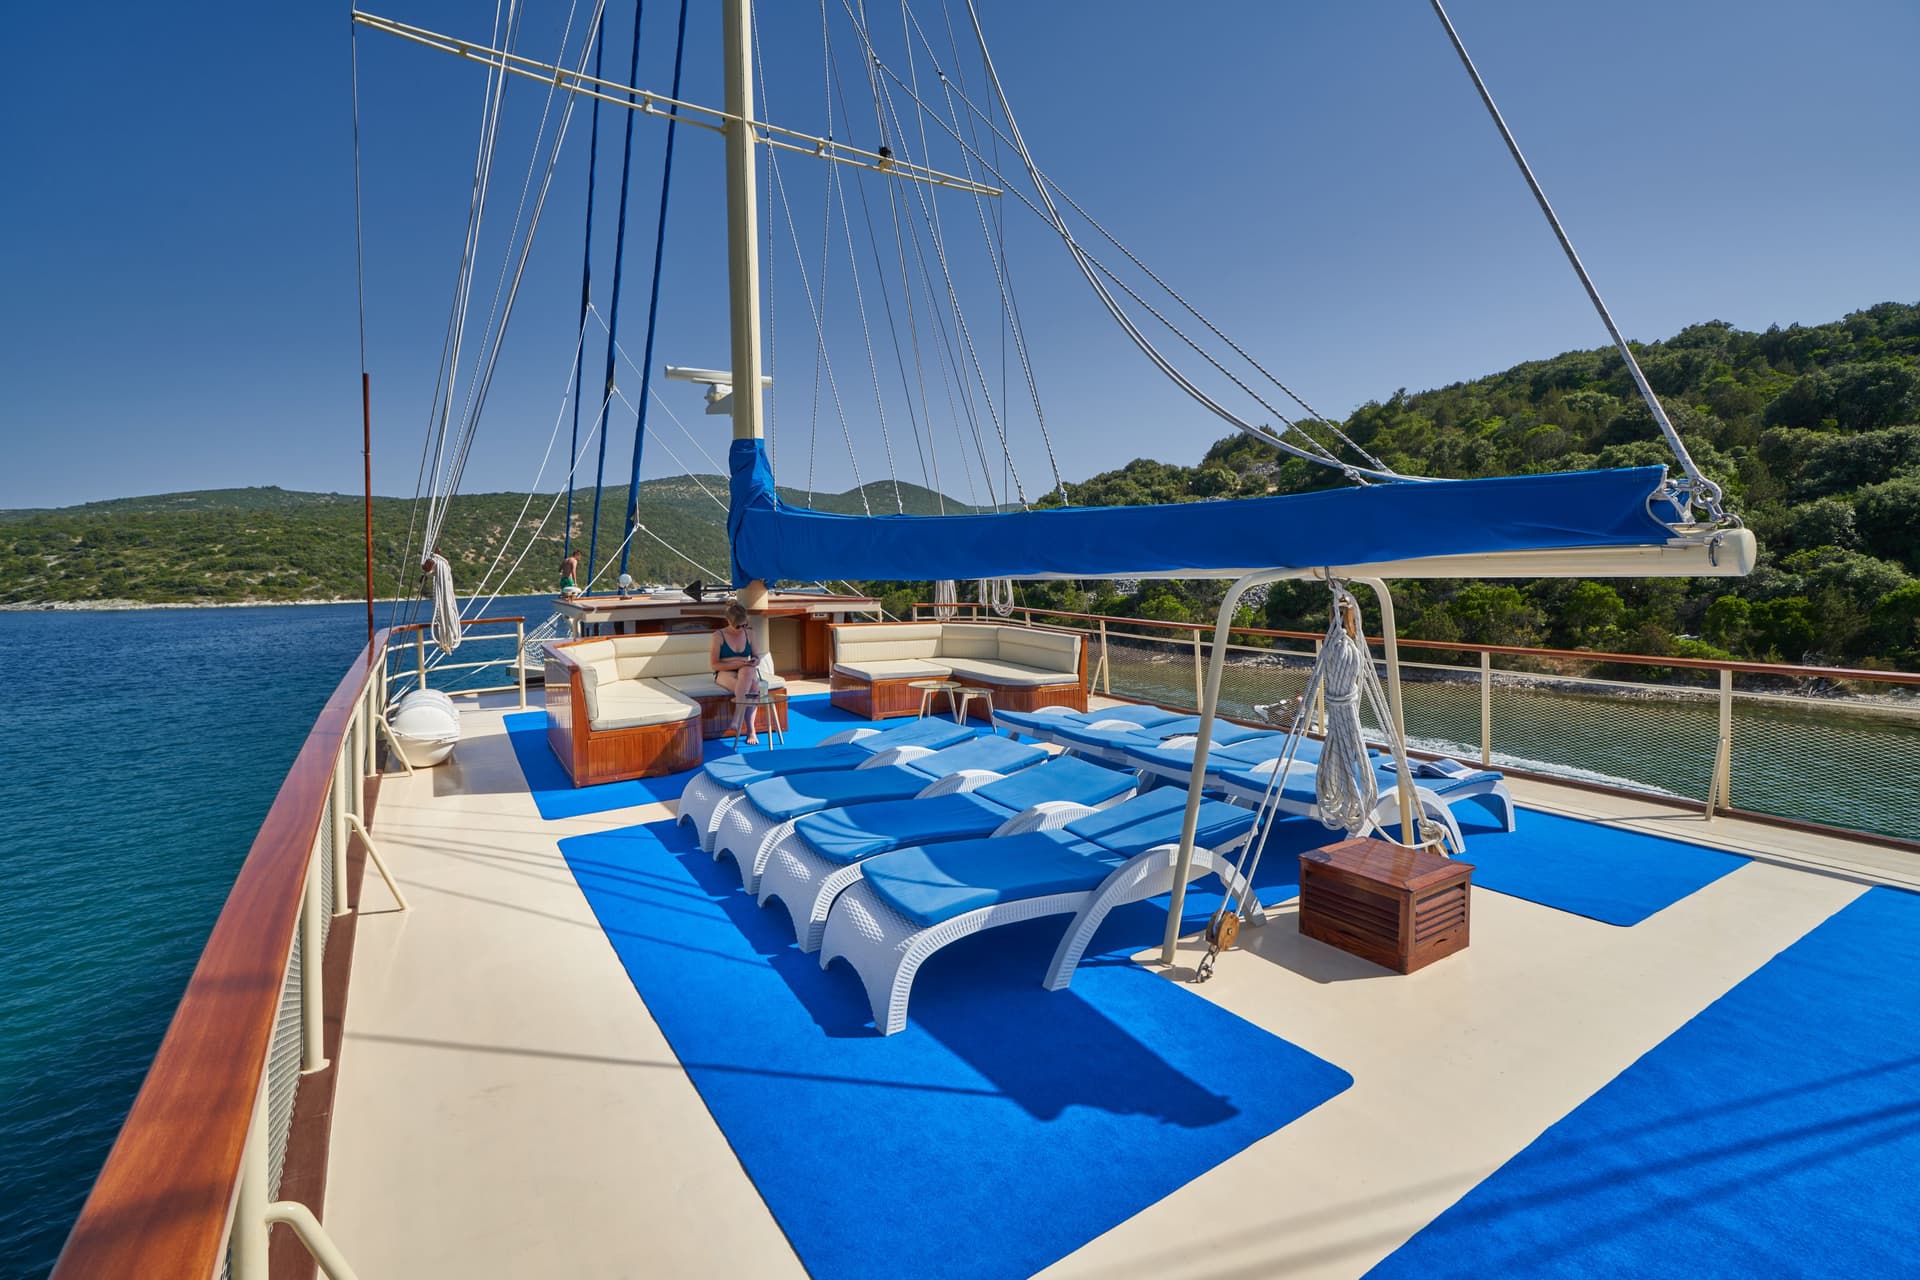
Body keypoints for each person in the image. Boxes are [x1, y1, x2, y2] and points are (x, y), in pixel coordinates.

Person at [710, 602, 760, 745]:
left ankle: (738, 719)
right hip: (725, 671)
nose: (741, 629)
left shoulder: (750, 633)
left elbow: (756, 656)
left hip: (746, 671)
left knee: (748, 671)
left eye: (744, 625)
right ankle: (751, 730)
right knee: (752, 689)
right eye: (738, 626)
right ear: (728, 621)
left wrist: (755, 661)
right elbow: (714, 664)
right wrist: (738, 663)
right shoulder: (718, 636)